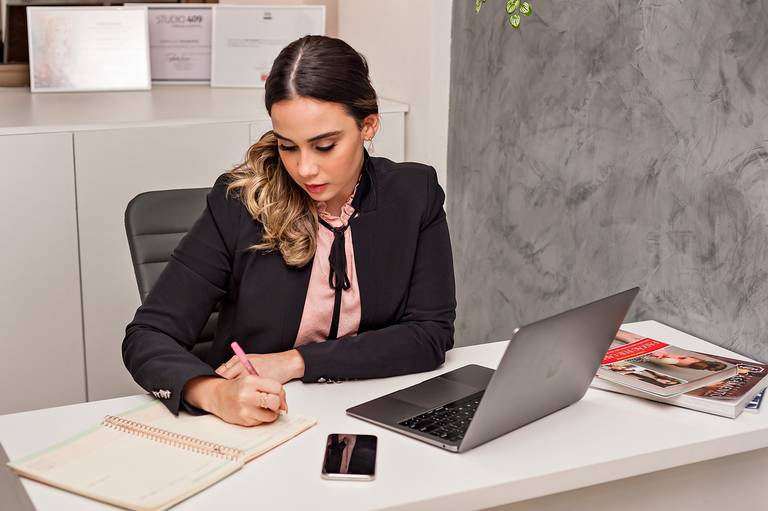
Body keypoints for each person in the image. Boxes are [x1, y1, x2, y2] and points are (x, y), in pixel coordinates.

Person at [122, 35, 456, 427]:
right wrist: (212, 392)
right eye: (288, 146)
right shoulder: (239, 204)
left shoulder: (415, 194)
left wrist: (296, 362)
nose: (305, 169)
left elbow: (430, 334)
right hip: (260, 421)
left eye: (325, 146)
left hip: (373, 412)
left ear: (368, 125)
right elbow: (148, 335)